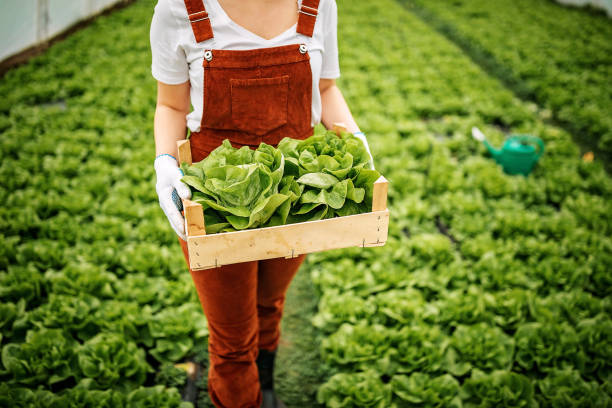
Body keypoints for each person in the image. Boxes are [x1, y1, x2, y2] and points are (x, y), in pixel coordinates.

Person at [149, 0, 373, 407]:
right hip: (217, 203)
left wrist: (354, 139)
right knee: (232, 340)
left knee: (269, 303)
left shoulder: (319, 5)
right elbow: (171, 105)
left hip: (295, 198)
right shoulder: (180, 9)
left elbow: (325, 88)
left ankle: (264, 387)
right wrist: (165, 162)